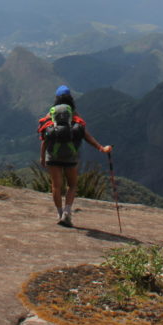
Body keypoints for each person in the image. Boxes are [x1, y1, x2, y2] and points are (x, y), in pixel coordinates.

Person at [38, 85, 111, 227]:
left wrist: (42, 157)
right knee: (72, 185)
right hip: (70, 157)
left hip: (52, 156)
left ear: (56, 98)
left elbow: (45, 140)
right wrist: (100, 148)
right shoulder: (74, 115)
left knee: (56, 186)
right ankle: (67, 212)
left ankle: (59, 214)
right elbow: (85, 135)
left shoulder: (51, 116)